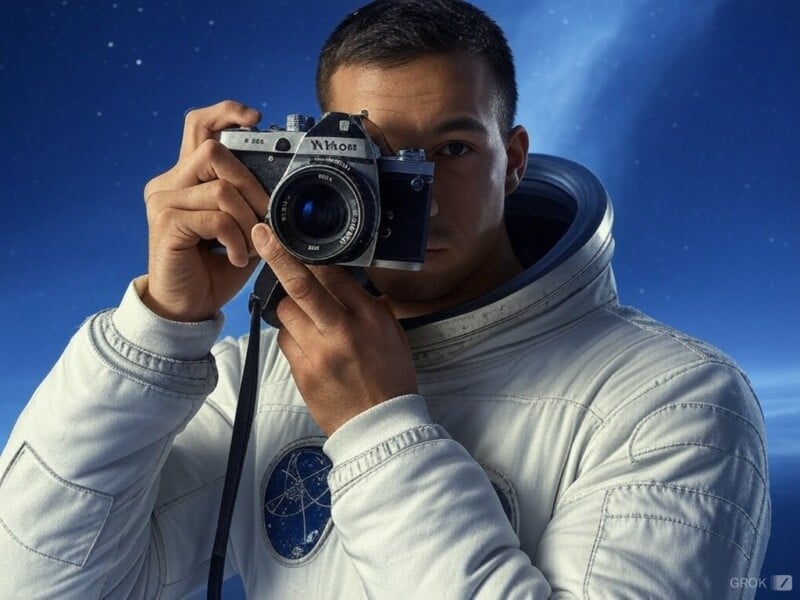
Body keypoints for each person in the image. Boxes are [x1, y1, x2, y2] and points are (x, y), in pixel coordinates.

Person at [0, 0, 770, 597]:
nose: (417, 191)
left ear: (515, 161)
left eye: (452, 151)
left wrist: (377, 428)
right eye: (373, 156)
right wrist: (160, 333)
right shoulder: (257, 378)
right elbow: (38, 584)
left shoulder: (678, 399)